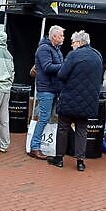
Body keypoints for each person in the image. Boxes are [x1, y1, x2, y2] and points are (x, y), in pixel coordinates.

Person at [47, 31, 102, 172]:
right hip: (88, 101)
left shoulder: (73, 55)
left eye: (72, 42)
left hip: (70, 98)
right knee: (82, 130)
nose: (71, 45)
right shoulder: (97, 55)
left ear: (78, 42)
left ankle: (59, 158)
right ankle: (80, 162)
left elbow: (62, 74)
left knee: (63, 128)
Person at [29, 25, 65, 160]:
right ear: (54, 36)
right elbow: (47, 67)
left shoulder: (56, 50)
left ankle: (47, 145)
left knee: (50, 117)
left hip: (54, 88)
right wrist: (65, 65)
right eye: (61, 35)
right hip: (46, 89)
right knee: (44, 117)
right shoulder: (44, 49)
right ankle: (35, 147)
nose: (63, 38)